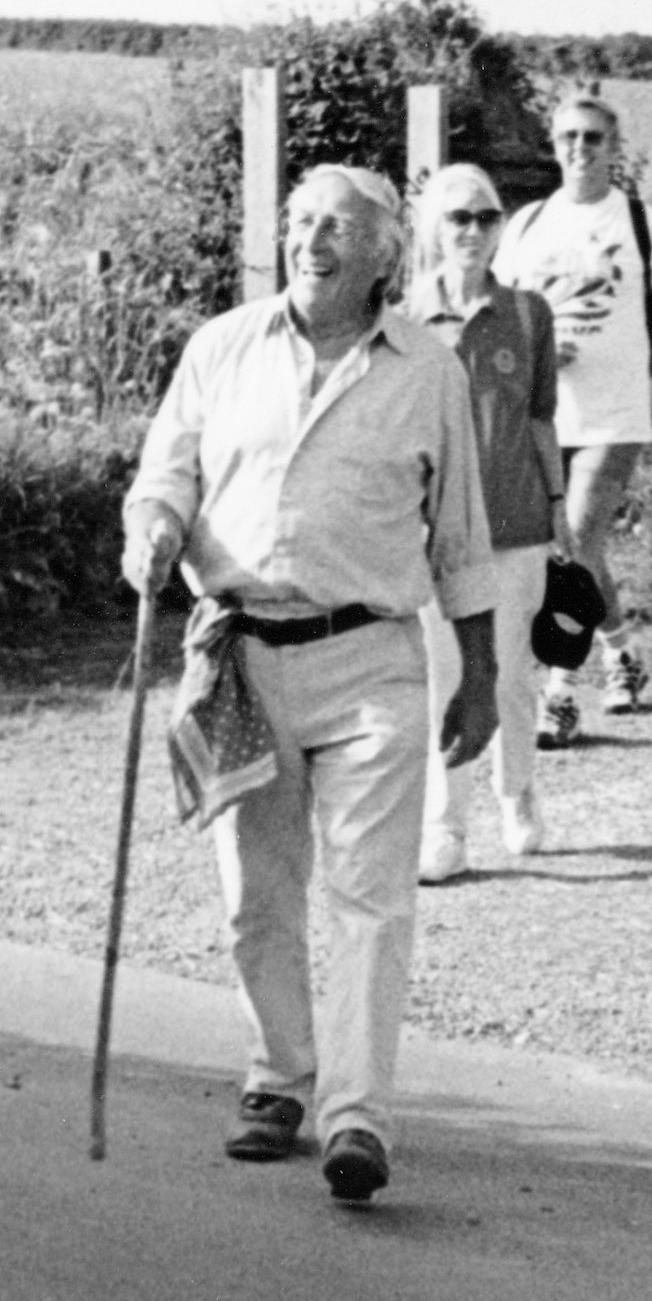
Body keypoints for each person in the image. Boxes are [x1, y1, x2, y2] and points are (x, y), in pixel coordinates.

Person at [124, 164, 503, 1203]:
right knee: (255, 895)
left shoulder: (428, 372)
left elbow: (461, 535)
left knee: (368, 899)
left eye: (335, 226)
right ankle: (276, 1076)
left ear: (386, 254)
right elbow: (165, 472)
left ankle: (355, 1117)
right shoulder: (221, 348)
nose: (309, 240)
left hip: (373, 656)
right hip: (240, 653)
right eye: (298, 221)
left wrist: (478, 673)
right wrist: (152, 529)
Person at [497, 91, 652, 746]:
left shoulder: (644, 225)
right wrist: (533, 353)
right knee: (559, 550)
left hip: (614, 412)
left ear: (613, 149)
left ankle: (558, 693)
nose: (578, 149)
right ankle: (619, 652)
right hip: (541, 417)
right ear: (552, 147)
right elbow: (497, 317)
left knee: (577, 540)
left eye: (592, 138)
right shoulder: (527, 226)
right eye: (566, 138)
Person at [406, 163, 561, 880]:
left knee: (509, 675)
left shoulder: (528, 314)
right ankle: (446, 828)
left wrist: (558, 512)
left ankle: (517, 789)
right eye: (458, 218)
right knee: (445, 677)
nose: (472, 231)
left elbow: (538, 420)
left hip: (516, 525)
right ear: (432, 230)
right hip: (433, 534)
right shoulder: (403, 317)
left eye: (486, 217)